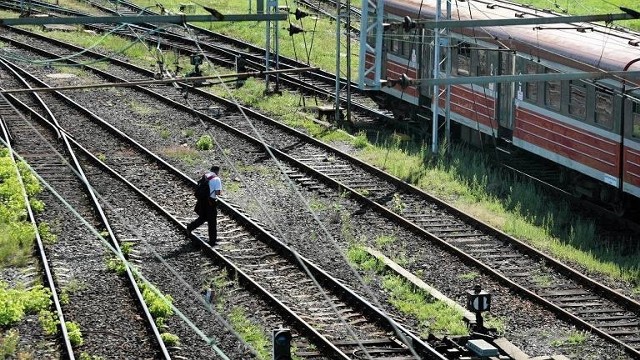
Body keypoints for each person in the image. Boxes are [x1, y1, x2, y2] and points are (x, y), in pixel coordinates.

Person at [186, 165, 222, 245]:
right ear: (217, 171)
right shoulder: (217, 179)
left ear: (211, 170)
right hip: (210, 202)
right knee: (212, 221)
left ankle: (190, 227)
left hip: (202, 201)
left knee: (203, 217)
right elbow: (218, 193)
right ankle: (212, 241)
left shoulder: (205, 176)